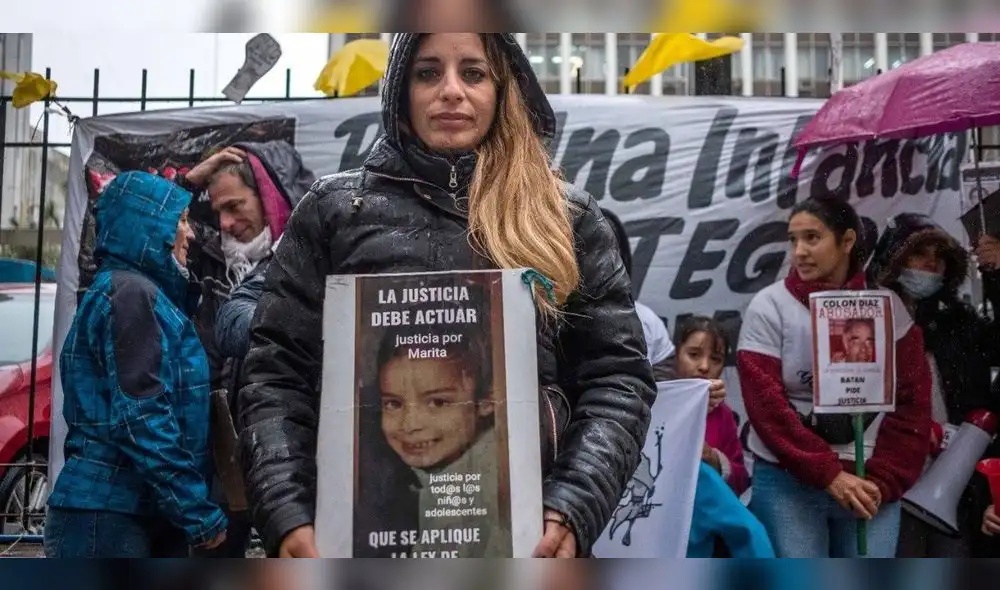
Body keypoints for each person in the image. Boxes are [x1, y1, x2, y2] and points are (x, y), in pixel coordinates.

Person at [237, 33, 656, 558]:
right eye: (428, 72)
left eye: (474, 73)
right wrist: (289, 514)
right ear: (399, 91)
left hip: (527, 545)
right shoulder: (336, 213)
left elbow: (617, 378)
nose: (451, 91)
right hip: (353, 543)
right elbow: (275, 375)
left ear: (505, 89)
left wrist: (571, 506)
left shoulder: (565, 218)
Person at [44, 171, 227, 557]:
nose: (190, 234)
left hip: (124, 511)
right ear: (148, 226)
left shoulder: (134, 291)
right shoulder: (131, 294)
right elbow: (142, 416)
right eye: (178, 220)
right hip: (109, 518)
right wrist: (196, 511)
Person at [736, 197, 931, 558]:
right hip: (787, 482)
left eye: (813, 237)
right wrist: (829, 475)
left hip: (871, 481)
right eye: (793, 240)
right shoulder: (770, 305)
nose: (800, 251)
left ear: (847, 241)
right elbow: (766, 407)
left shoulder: (889, 309)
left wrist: (884, 479)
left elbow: (913, 405)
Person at [176, 140, 315, 558]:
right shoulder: (209, 258)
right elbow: (145, 216)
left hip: (291, 450)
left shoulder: (314, 255)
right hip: (221, 458)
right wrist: (193, 179)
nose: (226, 222)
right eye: (218, 211)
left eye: (236, 206)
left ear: (270, 197)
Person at [867, 212, 1000, 557]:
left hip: (956, 483)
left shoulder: (961, 323)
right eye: (919, 254)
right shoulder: (867, 318)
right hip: (888, 477)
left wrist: (998, 276)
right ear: (894, 258)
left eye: (939, 257)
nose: (931, 264)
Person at [361, 316, 505, 558]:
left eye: (438, 402)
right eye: (393, 404)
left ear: (487, 400)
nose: (410, 425)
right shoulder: (394, 475)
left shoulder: (493, 485)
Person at [673, 316, 749, 496]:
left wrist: (714, 459)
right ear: (676, 354)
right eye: (693, 355)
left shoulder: (723, 415)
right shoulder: (652, 403)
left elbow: (740, 482)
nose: (705, 366)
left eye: (715, 359)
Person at [601, 207, 676, 379]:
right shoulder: (553, 320)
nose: (599, 263)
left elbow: (668, 393)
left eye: (608, 252)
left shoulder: (648, 321)